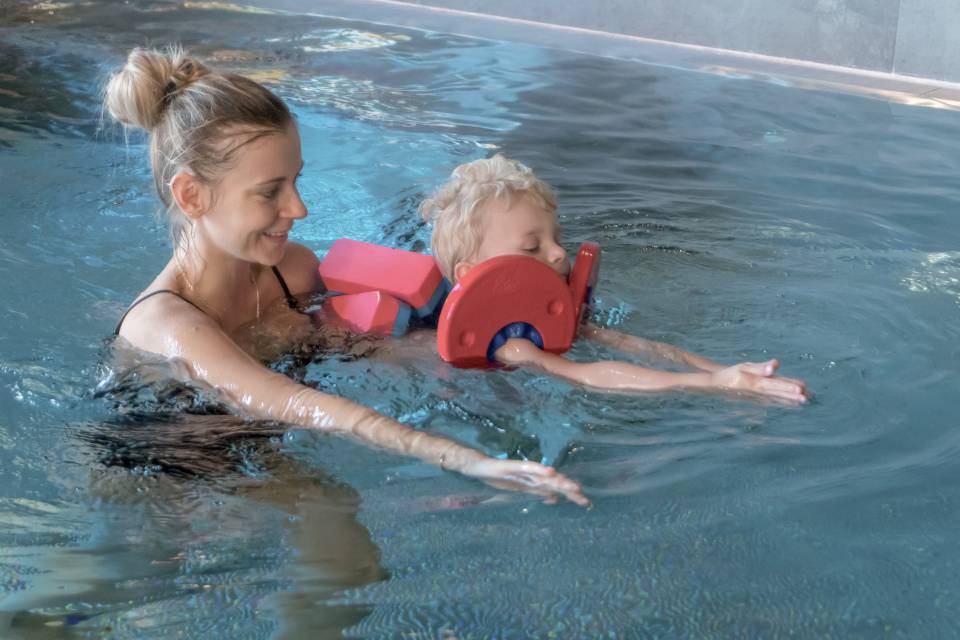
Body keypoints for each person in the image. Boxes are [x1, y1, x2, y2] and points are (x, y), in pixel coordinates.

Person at [104, 47, 588, 507]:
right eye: (270, 192)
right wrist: (463, 459)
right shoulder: (170, 325)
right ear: (192, 196)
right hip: (161, 476)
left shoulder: (291, 272)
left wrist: (503, 350)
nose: (298, 208)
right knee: (331, 508)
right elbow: (292, 402)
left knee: (335, 515)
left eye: (296, 181)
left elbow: (357, 344)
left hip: (258, 447)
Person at [420, 155, 809, 404]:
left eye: (558, 239)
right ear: (471, 277)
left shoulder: (549, 319)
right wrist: (712, 385)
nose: (558, 254)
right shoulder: (510, 344)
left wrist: (731, 372)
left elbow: (648, 348)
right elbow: (587, 375)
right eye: (531, 248)